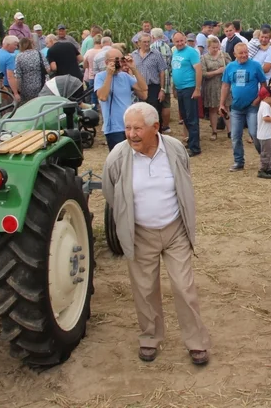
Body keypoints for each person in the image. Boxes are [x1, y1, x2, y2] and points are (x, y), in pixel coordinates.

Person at [102, 102, 211, 366]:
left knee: (184, 288)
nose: (131, 134)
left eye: (138, 128)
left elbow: (184, 179)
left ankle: (196, 343)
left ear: (155, 127)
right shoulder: (117, 156)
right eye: (127, 128)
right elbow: (111, 193)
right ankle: (149, 338)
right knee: (145, 289)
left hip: (175, 231)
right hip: (140, 234)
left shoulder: (174, 149)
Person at [219, 43, 267, 171]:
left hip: (252, 106)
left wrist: (258, 100)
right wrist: (222, 104)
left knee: (254, 133)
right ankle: (239, 162)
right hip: (236, 108)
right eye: (241, 53)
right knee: (235, 136)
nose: (244, 55)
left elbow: (264, 85)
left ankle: (265, 160)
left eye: (246, 52)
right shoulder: (230, 67)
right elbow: (225, 86)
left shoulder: (255, 66)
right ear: (235, 54)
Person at [95, 48, 148, 151]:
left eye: (121, 60)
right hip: (114, 128)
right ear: (107, 62)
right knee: (119, 159)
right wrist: (109, 75)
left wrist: (134, 69)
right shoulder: (100, 77)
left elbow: (144, 89)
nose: (119, 63)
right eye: (116, 60)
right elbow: (102, 97)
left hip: (129, 125)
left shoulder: (124, 76)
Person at [170, 32, 202, 157]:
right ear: (174, 42)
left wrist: (197, 88)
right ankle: (191, 140)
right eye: (176, 41)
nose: (179, 43)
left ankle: (195, 147)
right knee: (184, 116)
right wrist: (174, 88)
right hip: (180, 88)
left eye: (181, 41)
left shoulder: (191, 52)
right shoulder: (175, 52)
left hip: (190, 87)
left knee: (192, 117)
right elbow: (175, 70)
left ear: (185, 39)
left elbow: (198, 70)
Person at [199, 36, 230, 141]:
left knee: (226, 107)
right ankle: (214, 131)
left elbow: (231, 68)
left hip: (223, 85)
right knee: (213, 109)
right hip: (211, 86)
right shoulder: (204, 58)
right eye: (213, 47)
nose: (215, 49)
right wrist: (217, 71)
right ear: (208, 47)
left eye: (217, 47)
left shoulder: (224, 56)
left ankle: (230, 131)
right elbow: (203, 73)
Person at [150, 29, 173, 132]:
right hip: (167, 77)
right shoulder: (168, 47)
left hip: (155, 79)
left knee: (155, 103)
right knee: (166, 103)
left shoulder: (151, 47)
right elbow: (170, 63)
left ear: (152, 37)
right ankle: (166, 126)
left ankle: (156, 125)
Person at [14, 36, 49, 104]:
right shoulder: (39, 53)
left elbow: (18, 75)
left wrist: (18, 89)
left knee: (28, 105)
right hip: (41, 83)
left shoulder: (19, 56)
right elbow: (47, 69)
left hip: (26, 87)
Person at [256, 86, 271, 179]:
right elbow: (265, 118)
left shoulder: (265, 105)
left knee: (268, 152)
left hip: (267, 134)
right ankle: (262, 170)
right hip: (264, 135)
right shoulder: (265, 106)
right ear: (266, 98)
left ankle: (267, 168)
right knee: (266, 153)